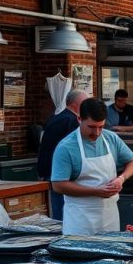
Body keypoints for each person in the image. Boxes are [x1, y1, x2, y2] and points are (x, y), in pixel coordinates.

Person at [51, 99, 133, 235]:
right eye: (91, 127)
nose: (97, 133)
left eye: (101, 127)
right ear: (79, 119)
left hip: (110, 215)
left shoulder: (111, 138)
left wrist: (121, 178)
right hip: (80, 219)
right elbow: (58, 185)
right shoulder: (66, 147)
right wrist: (94, 191)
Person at [38, 89, 88, 220]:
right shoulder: (69, 121)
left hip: (52, 170)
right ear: (76, 104)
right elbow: (69, 150)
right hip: (60, 173)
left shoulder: (57, 118)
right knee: (63, 213)